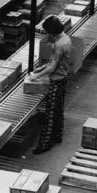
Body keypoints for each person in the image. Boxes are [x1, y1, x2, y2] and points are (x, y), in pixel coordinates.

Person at [29, 15, 73, 154]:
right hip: (63, 78)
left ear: (51, 32)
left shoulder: (59, 45)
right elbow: (55, 62)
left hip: (56, 82)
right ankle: (57, 136)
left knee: (50, 114)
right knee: (58, 111)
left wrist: (36, 76)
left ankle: (45, 144)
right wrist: (41, 68)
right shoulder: (66, 38)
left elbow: (52, 68)